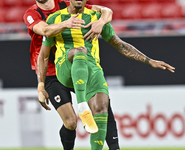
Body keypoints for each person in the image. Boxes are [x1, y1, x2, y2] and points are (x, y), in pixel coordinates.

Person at [37, 0, 175, 149]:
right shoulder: (55, 19)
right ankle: (83, 107)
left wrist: (149, 61)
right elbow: (43, 56)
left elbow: (120, 45)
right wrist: (41, 85)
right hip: (65, 69)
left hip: (91, 70)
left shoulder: (96, 19)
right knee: (79, 51)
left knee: (102, 108)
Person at [23, 0, 120, 150]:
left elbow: (105, 11)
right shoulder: (32, 14)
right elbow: (46, 31)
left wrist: (101, 22)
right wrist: (40, 85)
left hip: (77, 64)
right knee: (70, 122)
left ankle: (115, 147)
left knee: (102, 105)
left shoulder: (66, 4)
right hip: (52, 72)